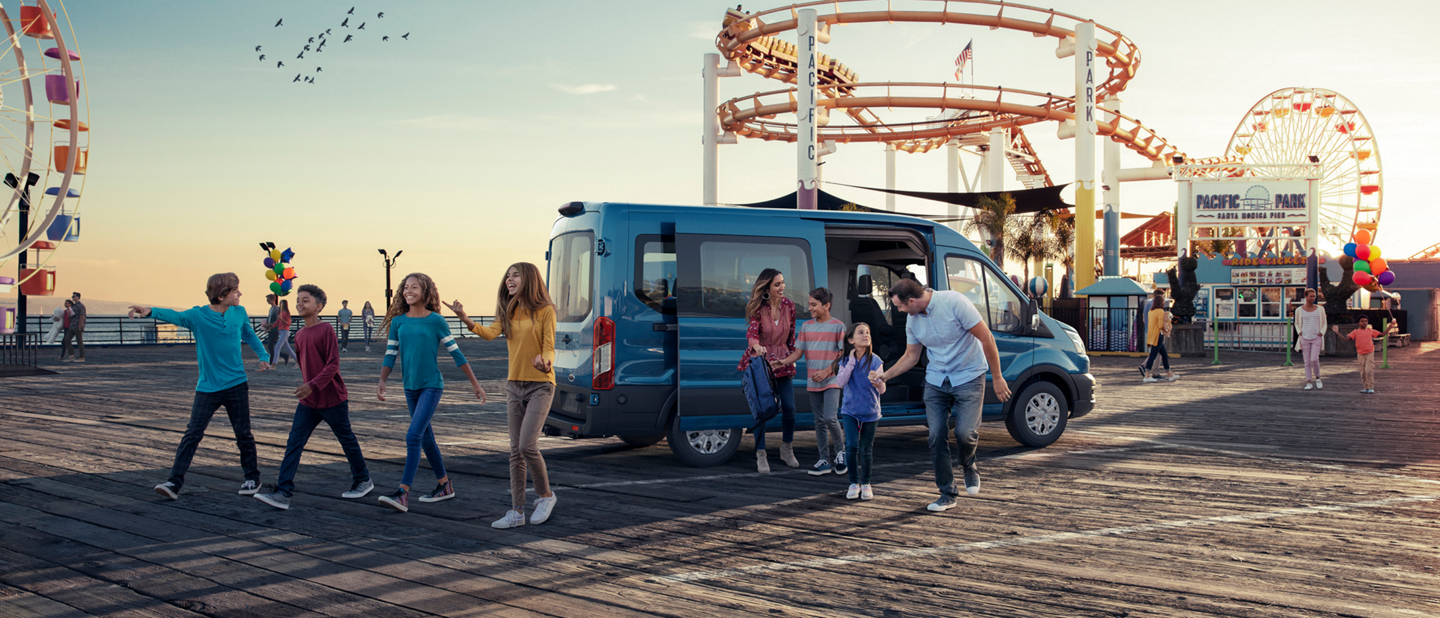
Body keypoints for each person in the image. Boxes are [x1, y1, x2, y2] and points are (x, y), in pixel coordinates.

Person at [128, 273, 272, 500]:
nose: (240, 294)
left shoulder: (239, 312)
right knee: (192, 434)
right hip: (207, 387)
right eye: (236, 290)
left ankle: (252, 477)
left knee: (243, 434)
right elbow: (174, 316)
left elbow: (249, 335)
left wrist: (263, 355)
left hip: (236, 384)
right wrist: (149, 311)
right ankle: (174, 484)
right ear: (222, 294)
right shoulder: (198, 316)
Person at [872, 278, 1011, 512]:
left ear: (913, 300)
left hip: (969, 375)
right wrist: (884, 375)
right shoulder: (913, 320)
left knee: (965, 433)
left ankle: (968, 464)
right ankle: (947, 493)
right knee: (936, 436)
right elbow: (911, 357)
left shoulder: (955, 302)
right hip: (936, 380)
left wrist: (997, 377)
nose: (899, 310)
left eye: (900, 306)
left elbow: (986, 337)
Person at [446, 263, 559, 530]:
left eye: (515, 275)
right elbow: (489, 333)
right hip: (513, 386)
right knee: (514, 452)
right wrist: (464, 317)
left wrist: (547, 363)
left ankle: (546, 495)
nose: (509, 279)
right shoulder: (509, 309)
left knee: (526, 446)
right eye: (508, 275)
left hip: (541, 385)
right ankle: (516, 511)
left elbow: (549, 346)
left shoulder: (545, 311)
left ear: (529, 279)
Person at [376, 273, 486, 513]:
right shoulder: (398, 322)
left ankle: (403, 493)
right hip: (410, 387)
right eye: (406, 287)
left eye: (414, 287)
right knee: (426, 438)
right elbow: (390, 354)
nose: (409, 291)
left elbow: (456, 353)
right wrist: (382, 380)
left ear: (426, 292)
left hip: (431, 385)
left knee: (413, 436)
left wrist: (475, 384)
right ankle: (444, 485)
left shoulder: (436, 320)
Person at [256, 284, 372, 510]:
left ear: (318, 306)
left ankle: (363, 480)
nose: (300, 303)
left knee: (346, 440)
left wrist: (313, 385)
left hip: (332, 399)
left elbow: (333, 364)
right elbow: (304, 364)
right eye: (298, 300)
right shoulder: (299, 334)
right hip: (308, 401)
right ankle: (283, 492)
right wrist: (308, 387)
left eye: (306, 300)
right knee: (294, 443)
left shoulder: (326, 329)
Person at [738, 268, 799, 474]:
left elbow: (791, 335)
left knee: (789, 408)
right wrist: (756, 347)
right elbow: (752, 333)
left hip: (782, 361)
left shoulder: (789, 305)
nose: (782, 287)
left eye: (782, 283)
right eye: (777, 284)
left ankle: (787, 448)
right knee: (763, 410)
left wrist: (790, 358)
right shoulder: (758, 307)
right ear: (767, 287)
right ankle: (761, 453)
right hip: (761, 362)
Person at [784, 287, 846, 476]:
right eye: (809, 304)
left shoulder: (838, 326)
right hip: (813, 381)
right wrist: (782, 362)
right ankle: (824, 460)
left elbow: (843, 355)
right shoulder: (806, 327)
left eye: (814, 304)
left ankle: (841, 454)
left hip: (832, 379)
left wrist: (827, 371)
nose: (809, 308)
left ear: (826, 306)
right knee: (819, 422)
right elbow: (798, 352)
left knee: (830, 418)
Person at [835, 322, 885, 500]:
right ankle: (853, 483)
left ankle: (866, 483)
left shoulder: (876, 360)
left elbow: (882, 390)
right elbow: (840, 383)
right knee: (851, 446)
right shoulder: (845, 360)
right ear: (851, 340)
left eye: (868, 332)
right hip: (850, 410)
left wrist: (878, 382)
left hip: (871, 411)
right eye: (861, 332)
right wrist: (851, 363)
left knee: (866, 449)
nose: (866, 335)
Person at [1338, 316, 1392, 394]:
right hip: (1360, 353)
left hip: (1370, 352)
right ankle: (1366, 387)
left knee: (1369, 370)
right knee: (1362, 371)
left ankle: (1370, 387)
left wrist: (1390, 326)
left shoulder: (1370, 331)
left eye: (1366, 321)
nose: (1364, 323)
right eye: (1362, 321)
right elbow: (1345, 339)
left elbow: (1383, 334)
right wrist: (1337, 332)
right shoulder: (1355, 332)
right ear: (1358, 323)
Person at [1293, 288, 1328, 390]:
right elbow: (1296, 323)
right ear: (1306, 296)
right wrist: (1300, 332)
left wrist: (1321, 333)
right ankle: (1309, 381)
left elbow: (1324, 322)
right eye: (1311, 296)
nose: (1313, 298)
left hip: (1316, 337)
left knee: (1314, 359)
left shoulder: (1320, 309)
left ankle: (1317, 378)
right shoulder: (1299, 310)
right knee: (1307, 361)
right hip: (1304, 337)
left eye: (1314, 296)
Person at [1141, 290, 1177, 382]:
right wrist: (1168, 323)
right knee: (1153, 355)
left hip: (1152, 334)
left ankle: (1170, 374)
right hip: (1158, 335)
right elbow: (1161, 325)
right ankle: (1147, 376)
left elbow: (1145, 320)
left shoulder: (1151, 311)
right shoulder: (1160, 311)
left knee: (1164, 355)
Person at [60, 291, 86, 362]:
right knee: (67, 339)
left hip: (77, 326)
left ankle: (82, 357)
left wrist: (80, 326)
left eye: (74, 296)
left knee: (79, 341)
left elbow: (82, 316)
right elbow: (71, 316)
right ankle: (71, 355)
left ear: (78, 297)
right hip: (72, 325)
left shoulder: (80, 306)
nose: (72, 298)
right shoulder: (73, 306)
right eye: (72, 296)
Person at [273, 299, 295, 367]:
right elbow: (277, 322)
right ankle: (298, 360)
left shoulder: (286, 313)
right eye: (280, 303)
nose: (280, 305)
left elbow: (289, 323)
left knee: (277, 347)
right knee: (288, 348)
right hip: (281, 331)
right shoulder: (280, 312)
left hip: (285, 331)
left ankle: (274, 364)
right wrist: (270, 328)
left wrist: (281, 319)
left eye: (282, 304)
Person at [263, 293, 281, 360]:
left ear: (272, 299)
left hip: (275, 330)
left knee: (270, 346)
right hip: (271, 329)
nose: (267, 301)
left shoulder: (276, 309)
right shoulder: (271, 309)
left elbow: (278, 320)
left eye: (268, 300)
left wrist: (269, 325)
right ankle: (284, 355)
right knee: (271, 346)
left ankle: (272, 361)